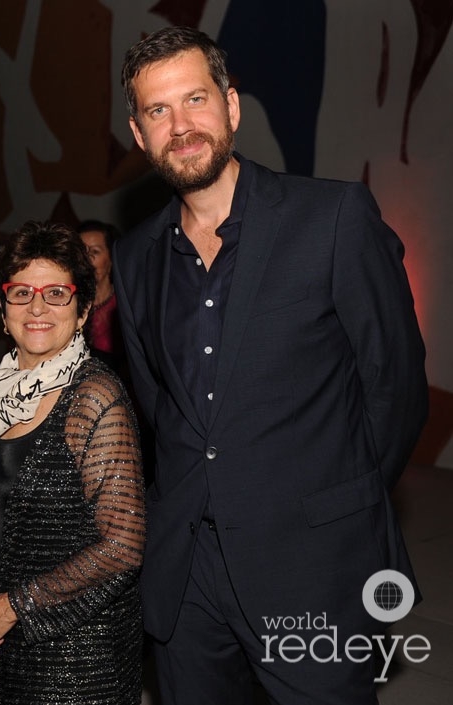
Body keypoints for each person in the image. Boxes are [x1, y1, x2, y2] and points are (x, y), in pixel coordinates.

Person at [113, 26, 428, 704]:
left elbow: (395, 389)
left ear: (231, 107)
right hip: (189, 575)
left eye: (195, 99)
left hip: (311, 565)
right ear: (138, 134)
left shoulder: (333, 218)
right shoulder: (135, 257)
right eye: (158, 111)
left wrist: (337, 503)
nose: (181, 126)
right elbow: (160, 405)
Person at [0, 219, 146, 704]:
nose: (38, 307)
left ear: (83, 309)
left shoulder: (94, 397)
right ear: (3, 311)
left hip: (81, 662)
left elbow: (124, 547)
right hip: (3, 647)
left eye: (56, 293)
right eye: (21, 293)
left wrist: (15, 606)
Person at [75, 219, 123, 368]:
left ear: (111, 259)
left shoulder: (124, 306)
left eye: (95, 251)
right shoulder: (67, 304)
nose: (86, 259)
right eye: (81, 252)